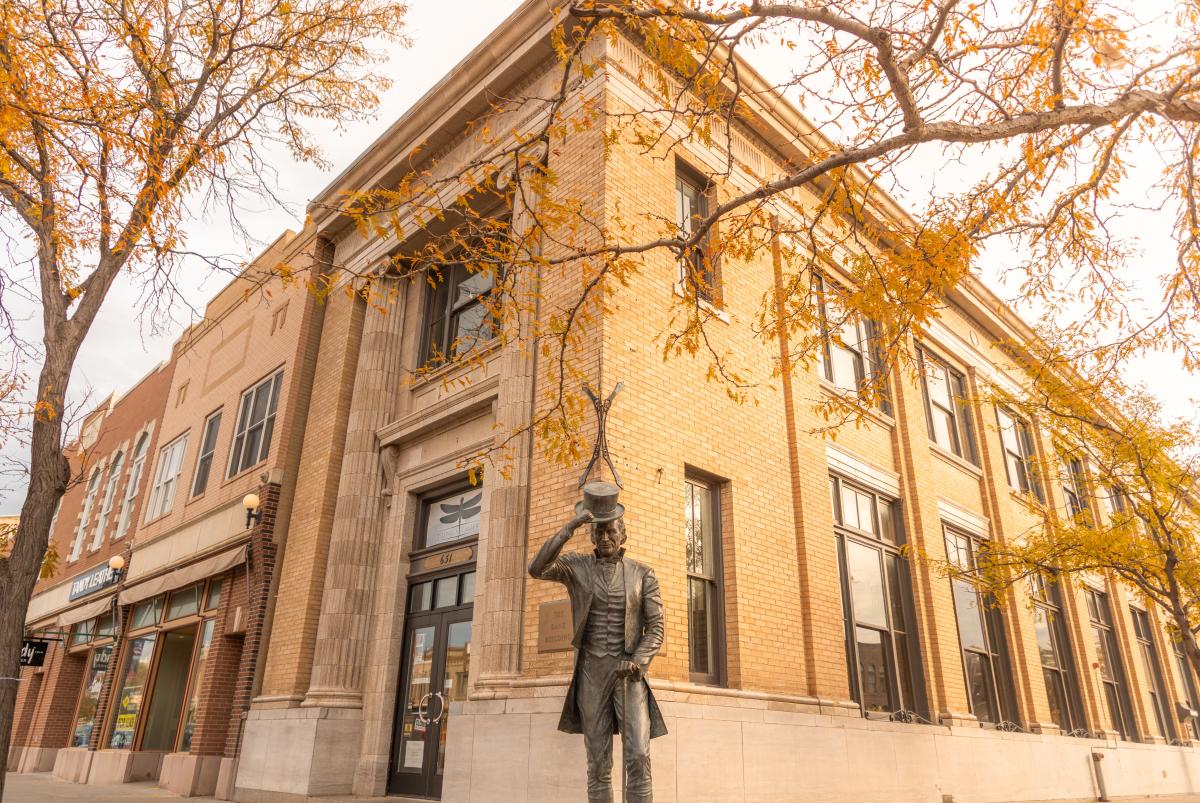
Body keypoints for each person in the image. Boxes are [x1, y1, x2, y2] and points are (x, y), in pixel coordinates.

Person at [528, 481, 666, 803]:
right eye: (599, 533)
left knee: (638, 754)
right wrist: (571, 526)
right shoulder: (577, 567)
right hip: (592, 671)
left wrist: (639, 661)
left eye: (611, 532)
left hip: (628, 672)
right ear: (591, 535)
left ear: (623, 536)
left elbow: (657, 627)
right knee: (598, 762)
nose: (605, 538)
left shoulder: (642, 574)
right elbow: (537, 568)